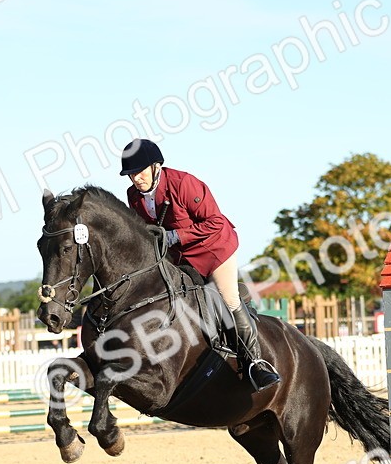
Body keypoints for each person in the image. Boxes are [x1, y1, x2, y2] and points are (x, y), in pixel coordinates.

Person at [120, 139, 280, 391]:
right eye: (131, 174)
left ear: (156, 166)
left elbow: (215, 222)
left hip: (214, 249)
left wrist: (176, 235)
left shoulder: (183, 183)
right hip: (181, 258)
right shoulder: (134, 196)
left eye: (140, 172)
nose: (136, 179)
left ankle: (256, 363)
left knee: (228, 299)